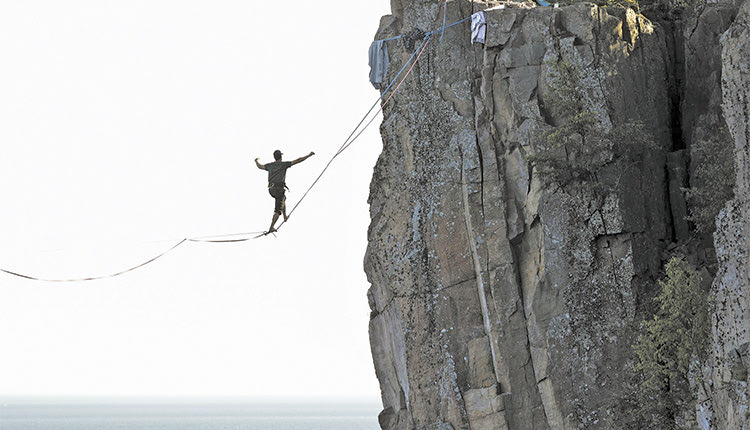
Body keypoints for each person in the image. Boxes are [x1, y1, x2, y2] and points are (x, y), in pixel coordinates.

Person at [255, 149, 315, 233]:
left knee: (283, 198)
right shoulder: (283, 165)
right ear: (281, 156)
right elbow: (298, 160)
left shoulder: (270, 166)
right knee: (278, 209)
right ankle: (271, 227)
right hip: (278, 189)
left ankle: (285, 216)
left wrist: (256, 161)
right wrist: (309, 155)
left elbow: (260, 166)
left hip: (271, 190)